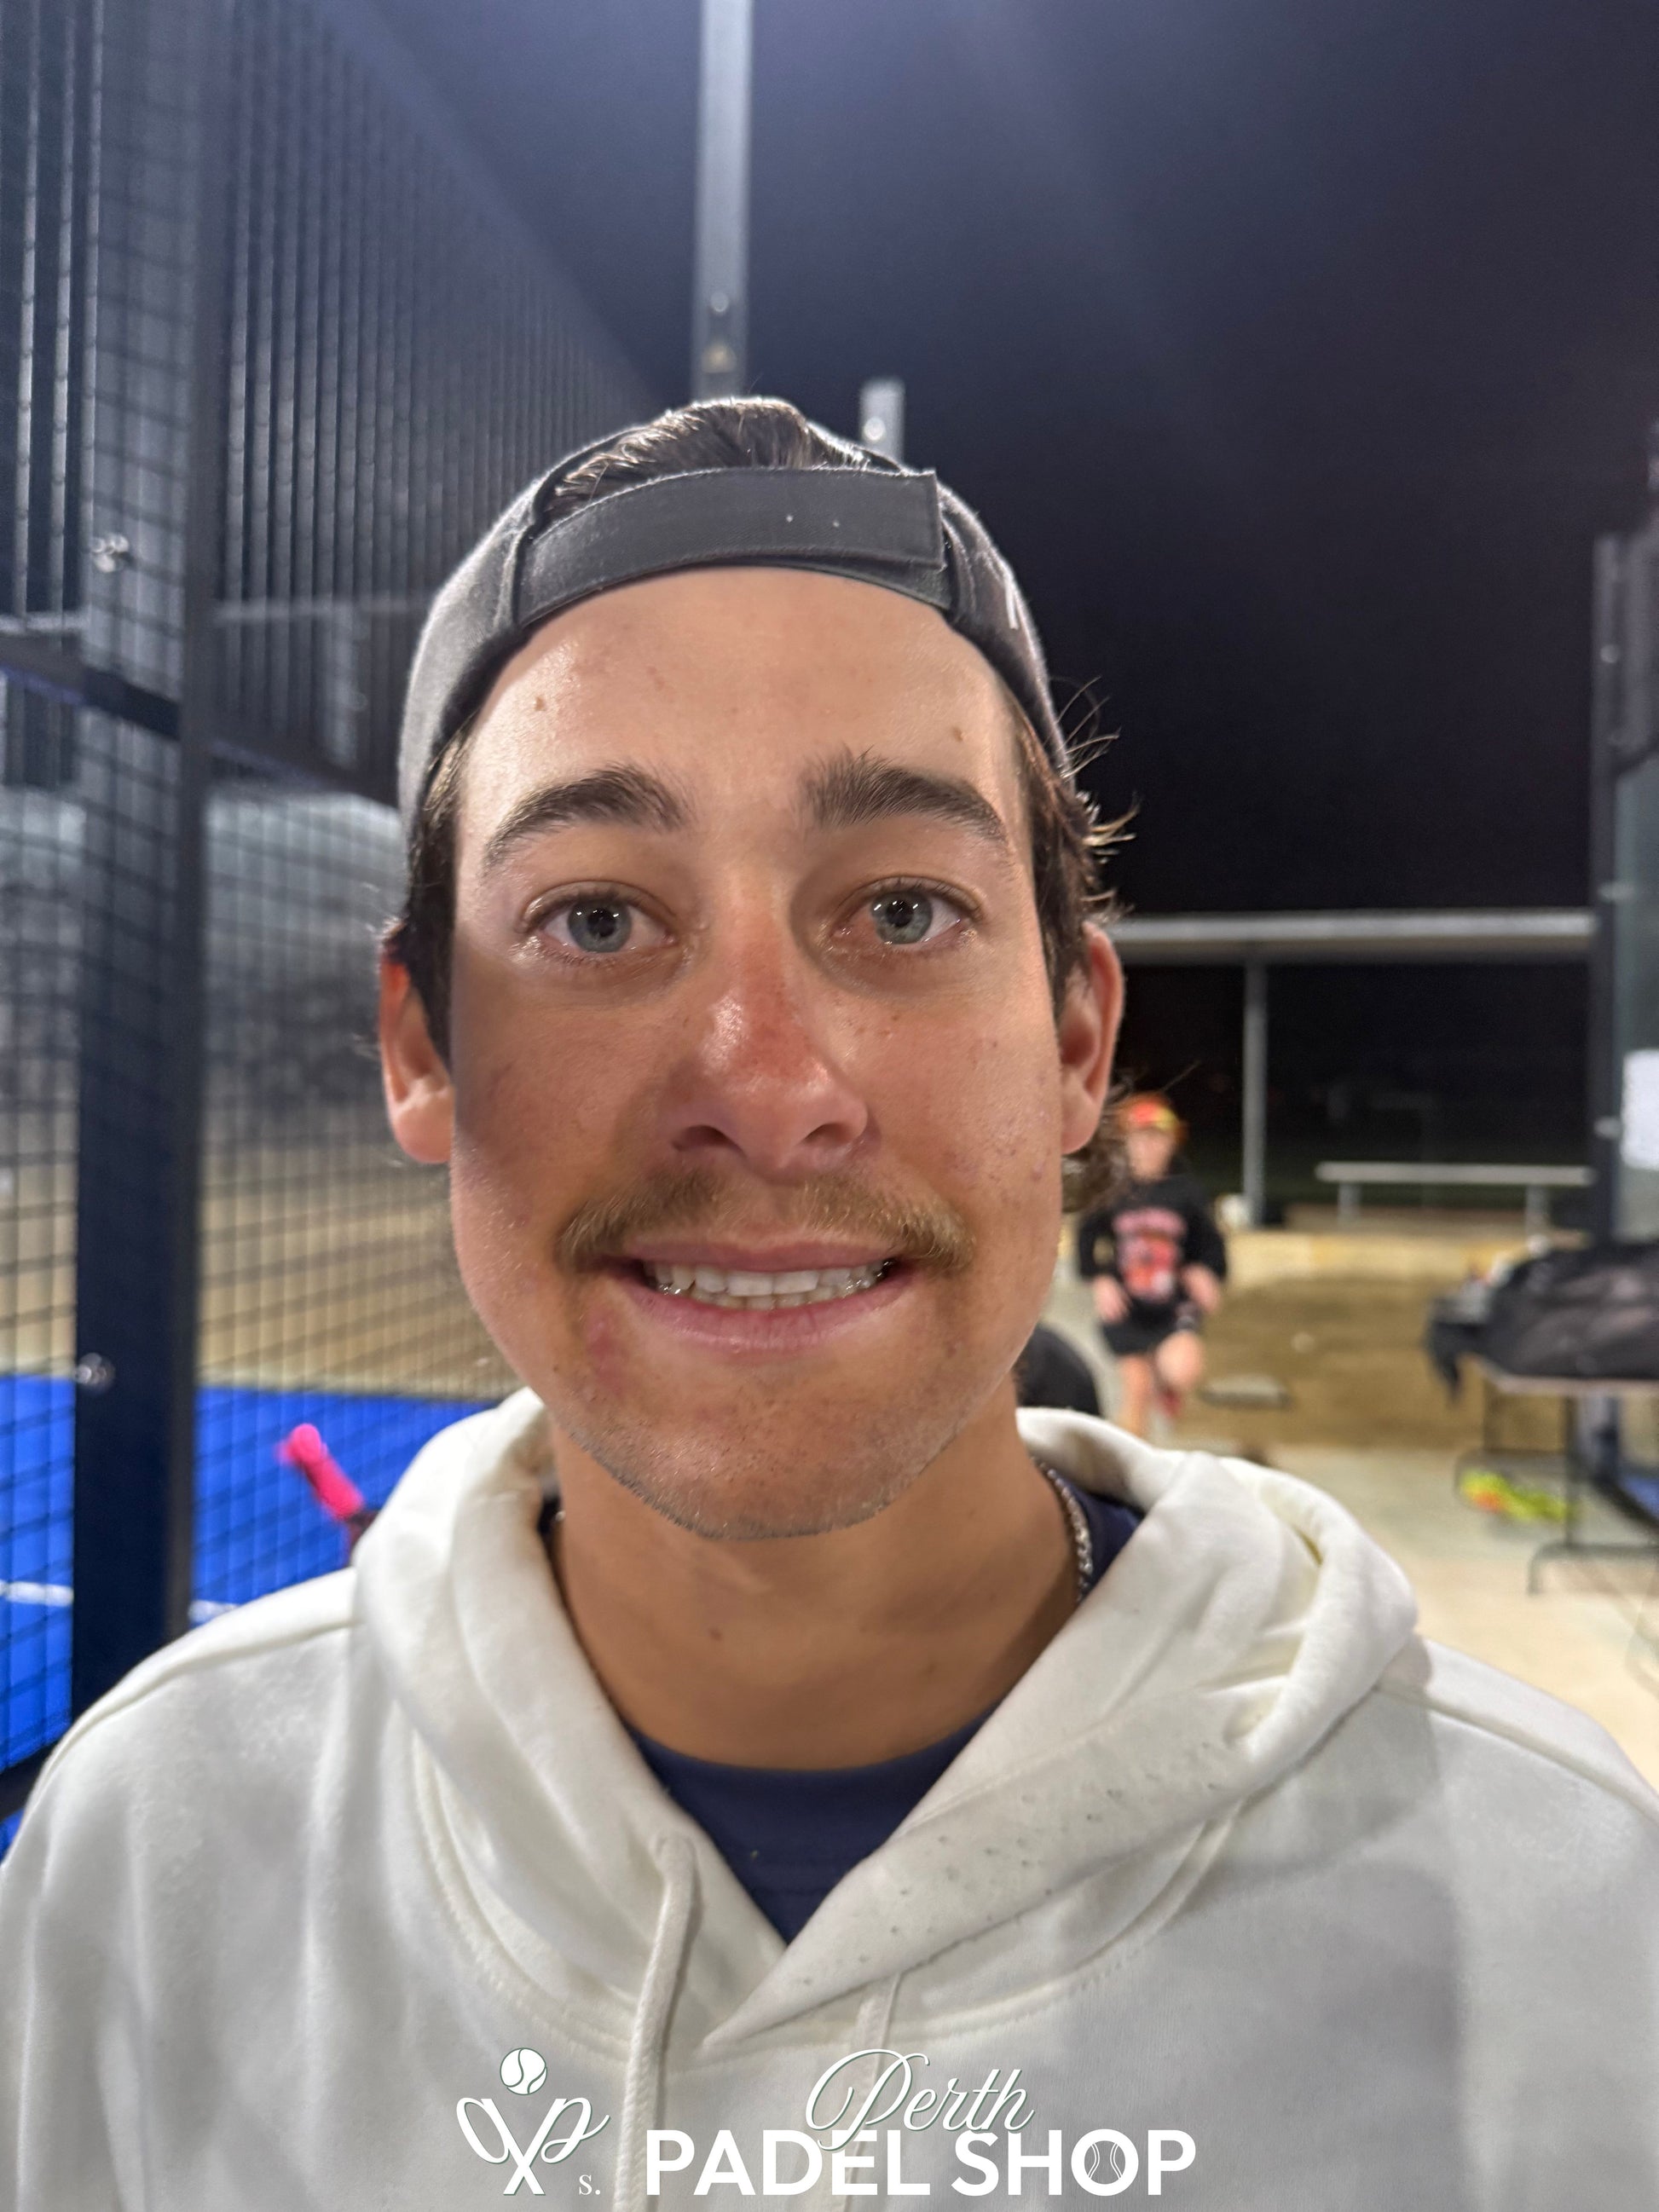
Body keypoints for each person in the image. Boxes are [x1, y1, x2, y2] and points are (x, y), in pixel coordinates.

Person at [2, 398, 1656, 2210]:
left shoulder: (1568, 1917)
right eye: (597, 920)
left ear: (1076, 1041)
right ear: (421, 1047)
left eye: (901, 910)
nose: (766, 1083)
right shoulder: (146, 1852)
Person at [1076, 1092, 1227, 1434]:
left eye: (1157, 1139)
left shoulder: (1185, 1192)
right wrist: (1100, 1279)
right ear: (1125, 1145)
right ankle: (1132, 1455)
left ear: (1172, 1143)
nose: (1148, 1147)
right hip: (1128, 1306)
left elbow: (1212, 1245)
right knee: (1137, 1391)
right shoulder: (1112, 1190)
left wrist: (1205, 1272)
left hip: (1173, 1304)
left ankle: (1166, 1383)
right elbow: (1086, 1241)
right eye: (1140, 1139)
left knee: (1183, 1370)